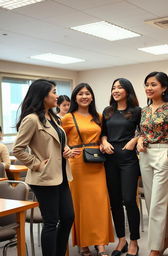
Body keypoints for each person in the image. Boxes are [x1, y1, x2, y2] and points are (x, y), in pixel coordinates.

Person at [13, 79, 77, 256]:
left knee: (68, 217)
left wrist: (66, 150)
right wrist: (36, 164)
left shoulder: (54, 117)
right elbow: (18, 148)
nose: (57, 95)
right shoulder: (31, 119)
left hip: (62, 175)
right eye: (54, 92)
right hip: (44, 178)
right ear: (43, 96)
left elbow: (57, 142)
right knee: (51, 221)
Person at [137, 71, 168, 256]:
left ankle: (155, 249)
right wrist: (140, 141)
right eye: (147, 84)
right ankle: (164, 240)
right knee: (151, 202)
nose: (149, 88)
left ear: (164, 87)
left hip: (165, 153)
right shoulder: (144, 110)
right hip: (145, 156)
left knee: (158, 201)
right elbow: (141, 133)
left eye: (153, 84)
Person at [61, 83, 114, 256]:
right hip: (77, 164)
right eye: (80, 94)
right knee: (81, 205)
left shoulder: (98, 116)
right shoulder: (68, 117)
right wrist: (67, 150)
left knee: (99, 203)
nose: (84, 96)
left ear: (92, 96)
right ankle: (83, 244)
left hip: (97, 162)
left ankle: (100, 244)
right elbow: (58, 139)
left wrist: (104, 142)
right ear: (75, 97)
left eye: (87, 93)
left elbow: (103, 135)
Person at [102, 78, 141, 256]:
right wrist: (103, 142)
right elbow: (103, 133)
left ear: (127, 91)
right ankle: (121, 241)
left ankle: (134, 242)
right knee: (115, 202)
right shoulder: (108, 111)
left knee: (130, 201)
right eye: (113, 87)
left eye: (119, 87)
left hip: (128, 160)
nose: (116, 90)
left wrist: (134, 140)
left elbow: (144, 132)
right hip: (110, 160)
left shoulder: (136, 111)